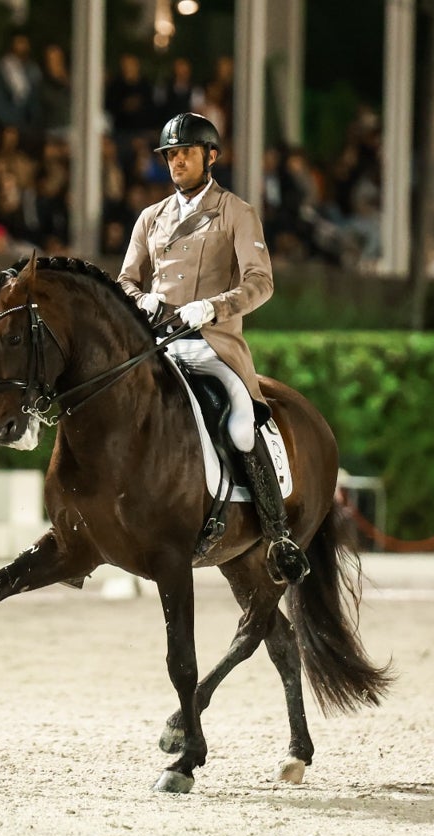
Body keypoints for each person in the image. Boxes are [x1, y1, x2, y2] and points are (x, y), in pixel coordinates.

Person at [116, 112, 309, 585]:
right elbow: (124, 281)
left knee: (242, 423)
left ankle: (279, 535)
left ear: (211, 156)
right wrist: (145, 302)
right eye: (171, 155)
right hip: (158, 345)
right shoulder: (151, 217)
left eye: (185, 152)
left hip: (210, 346)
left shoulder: (236, 212)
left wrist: (212, 308)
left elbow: (261, 282)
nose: (177, 161)